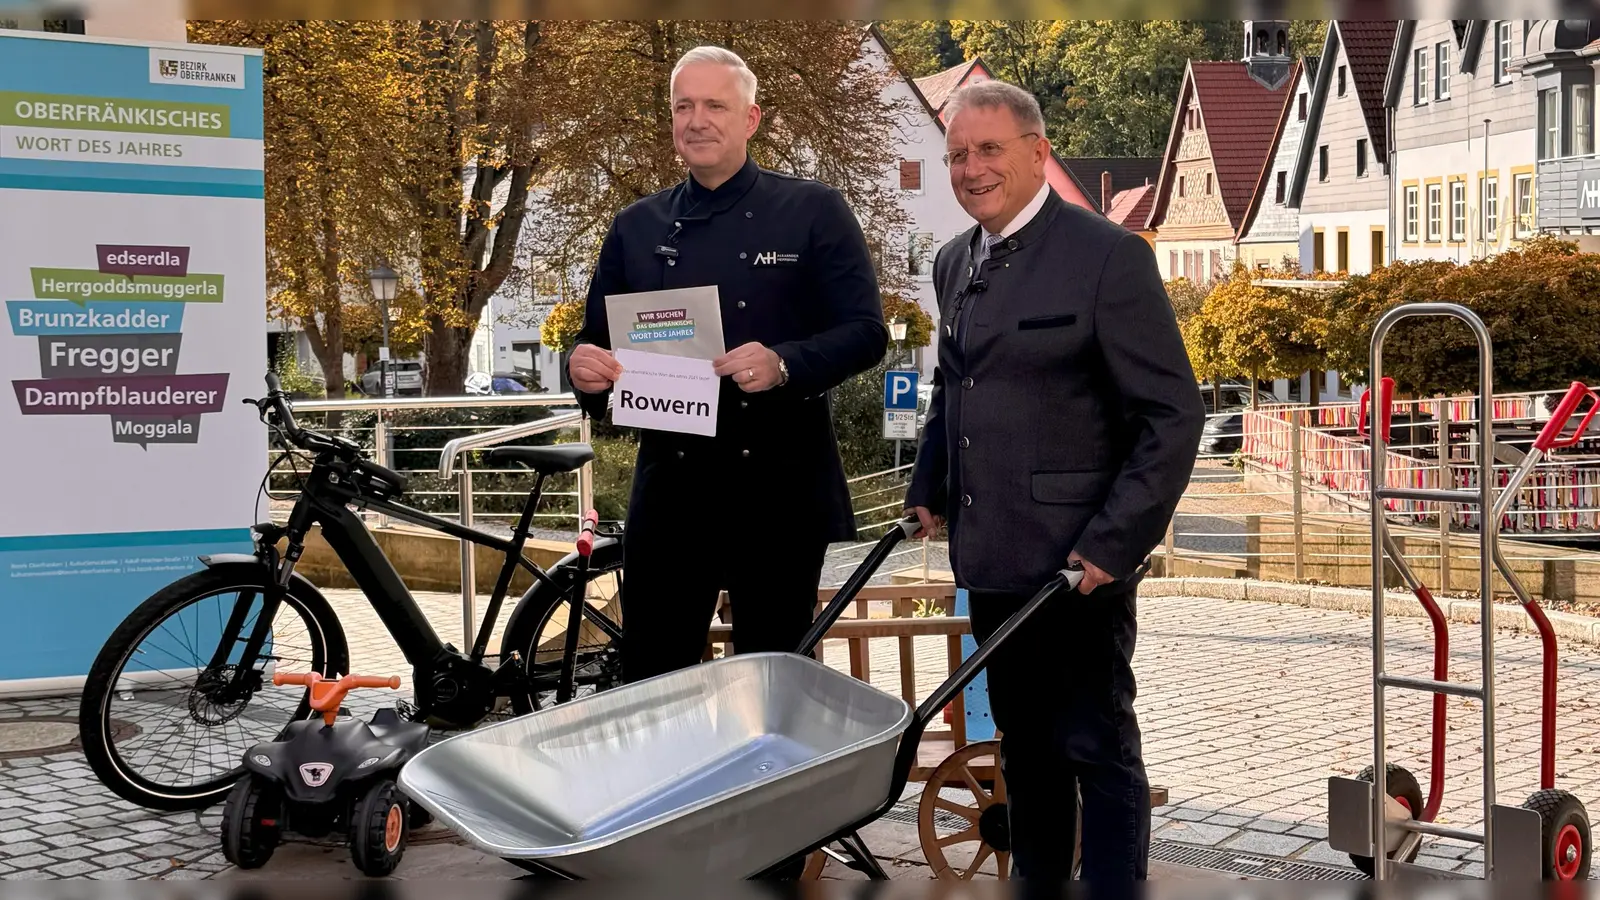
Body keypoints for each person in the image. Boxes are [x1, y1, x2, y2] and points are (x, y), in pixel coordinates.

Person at [904, 80, 1204, 882]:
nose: (971, 169)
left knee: (1095, 748)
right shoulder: (952, 260)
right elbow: (956, 388)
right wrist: (927, 484)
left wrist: (1113, 544)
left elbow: (1173, 415)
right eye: (958, 155)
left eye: (989, 150)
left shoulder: (1107, 257)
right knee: (1026, 751)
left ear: (1038, 152)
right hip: (993, 561)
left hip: (1079, 569)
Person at [566, 45, 888, 685]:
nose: (697, 120)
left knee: (773, 684)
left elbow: (866, 332)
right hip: (672, 491)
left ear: (751, 119)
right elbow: (592, 346)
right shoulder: (635, 226)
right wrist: (581, 371)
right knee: (656, 678)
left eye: (716, 105)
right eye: (683, 106)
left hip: (778, 490)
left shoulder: (813, 210)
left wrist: (786, 363)